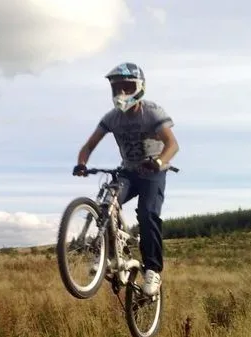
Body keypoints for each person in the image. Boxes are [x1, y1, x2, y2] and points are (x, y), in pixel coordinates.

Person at [72, 62, 179, 296]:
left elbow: (172, 144)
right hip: (129, 172)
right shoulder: (112, 118)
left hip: (153, 172)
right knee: (106, 205)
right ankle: (107, 254)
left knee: (147, 213)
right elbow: (89, 145)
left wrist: (159, 162)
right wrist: (82, 163)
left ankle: (153, 270)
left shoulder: (152, 112)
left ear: (139, 88)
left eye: (127, 87)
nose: (121, 93)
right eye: (117, 88)